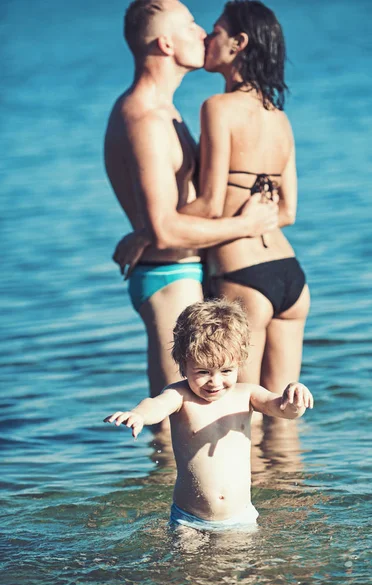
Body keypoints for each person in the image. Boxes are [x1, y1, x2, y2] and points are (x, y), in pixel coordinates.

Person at [104, 0, 278, 400]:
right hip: (169, 279)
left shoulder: (165, 111)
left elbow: (160, 223)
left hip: (180, 270)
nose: (203, 33)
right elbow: (166, 229)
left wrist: (146, 233)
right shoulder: (145, 119)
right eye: (190, 26)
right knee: (177, 425)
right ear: (166, 44)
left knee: (204, 417)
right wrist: (248, 225)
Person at [104, 299, 314, 532]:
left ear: (239, 363)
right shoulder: (179, 395)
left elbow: (283, 410)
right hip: (189, 520)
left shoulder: (247, 394)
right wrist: (139, 415)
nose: (215, 382)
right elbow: (156, 405)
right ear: (183, 365)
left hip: (240, 517)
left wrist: (295, 399)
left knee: (241, 566)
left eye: (226, 371)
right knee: (188, 568)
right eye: (203, 372)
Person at [198, 0, 311, 397]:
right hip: (289, 276)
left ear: (238, 43)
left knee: (241, 417)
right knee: (284, 414)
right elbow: (288, 212)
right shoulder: (279, 117)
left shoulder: (218, 107)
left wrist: (153, 229)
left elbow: (211, 205)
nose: (207, 39)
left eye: (215, 32)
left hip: (243, 275)